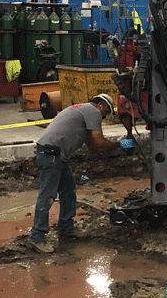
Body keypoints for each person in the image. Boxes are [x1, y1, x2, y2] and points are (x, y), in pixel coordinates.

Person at [28, 93, 122, 254]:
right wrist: (121, 144)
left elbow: (93, 147)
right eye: (106, 113)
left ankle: (66, 228)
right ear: (101, 106)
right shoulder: (93, 111)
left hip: (54, 155)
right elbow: (100, 142)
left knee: (68, 191)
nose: (104, 118)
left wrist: (115, 148)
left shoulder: (81, 111)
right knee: (47, 196)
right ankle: (36, 237)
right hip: (51, 155)